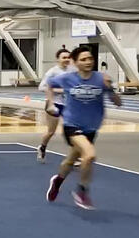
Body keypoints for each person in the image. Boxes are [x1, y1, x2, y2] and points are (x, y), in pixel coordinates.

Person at [44, 46, 120, 210]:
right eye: (83, 59)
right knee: (90, 155)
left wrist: (110, 88)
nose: (88, 62)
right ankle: (82, 191)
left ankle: (57, 180)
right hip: (72, 125)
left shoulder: (101, 78)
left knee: (71, 160)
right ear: (75, 62)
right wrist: (50, 103)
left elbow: (118, 102)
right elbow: (49, 85)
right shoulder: (67, 78)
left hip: (91, 128)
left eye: (90, 59)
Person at [36, 48, 76, 163]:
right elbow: (42, 87)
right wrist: (60, 90)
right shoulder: (52, 72)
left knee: (72, 130)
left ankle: (74, 157)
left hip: (68, 105)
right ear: (58, 59)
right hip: (54, 103)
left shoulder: (72, 71)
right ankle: (42, 147)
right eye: (64, 57)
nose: (66, 60)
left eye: (68, 57)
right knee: (51, 131)